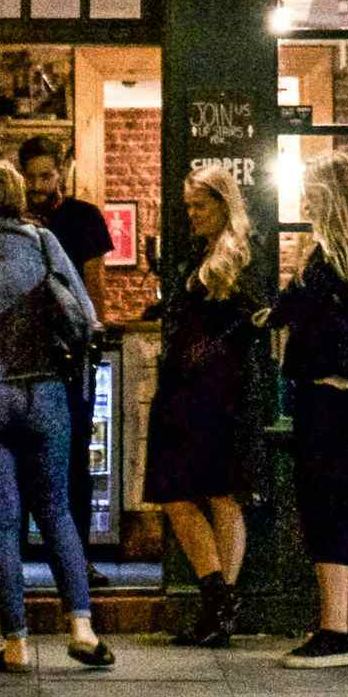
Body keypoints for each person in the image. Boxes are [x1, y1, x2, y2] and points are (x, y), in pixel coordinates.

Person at [0, 161, 114, 673]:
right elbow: (83, 313)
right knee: (56, 510)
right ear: (17, 196)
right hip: (44, 390)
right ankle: (81, 627)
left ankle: (15, 645)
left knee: (2, 523)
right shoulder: (42, 243)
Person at [258, 151, 348, 669]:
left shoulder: (327, 257)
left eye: (311, 193)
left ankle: (333, 630)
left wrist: (284, 295)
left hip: (325, 400)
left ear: (327, 197)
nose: (304, 201)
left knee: (326, 508)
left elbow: (289, 313)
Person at [143, 166, 266, 648]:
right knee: (175, 494)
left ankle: (220, 602)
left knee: (221, 494)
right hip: (183, 390)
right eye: (189, 206)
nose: (191, 214)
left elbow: (254, 319)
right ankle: (219, 596)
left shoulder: (239, 255)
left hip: (220, 393)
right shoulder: (198, 254)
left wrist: (208, 350)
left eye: (201, 205)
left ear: (224, 203)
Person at [18, 136, 113, 586]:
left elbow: (95, 283)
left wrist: (93, 334)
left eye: (46, 176)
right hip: (25, 353)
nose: (39, 186)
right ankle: (15, 557)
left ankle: (78, 562)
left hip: (72, 353)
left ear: (61, 174)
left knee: (75, 455)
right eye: (31, 177)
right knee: (21, 455)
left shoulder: (83, 218)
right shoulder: (14, 222)